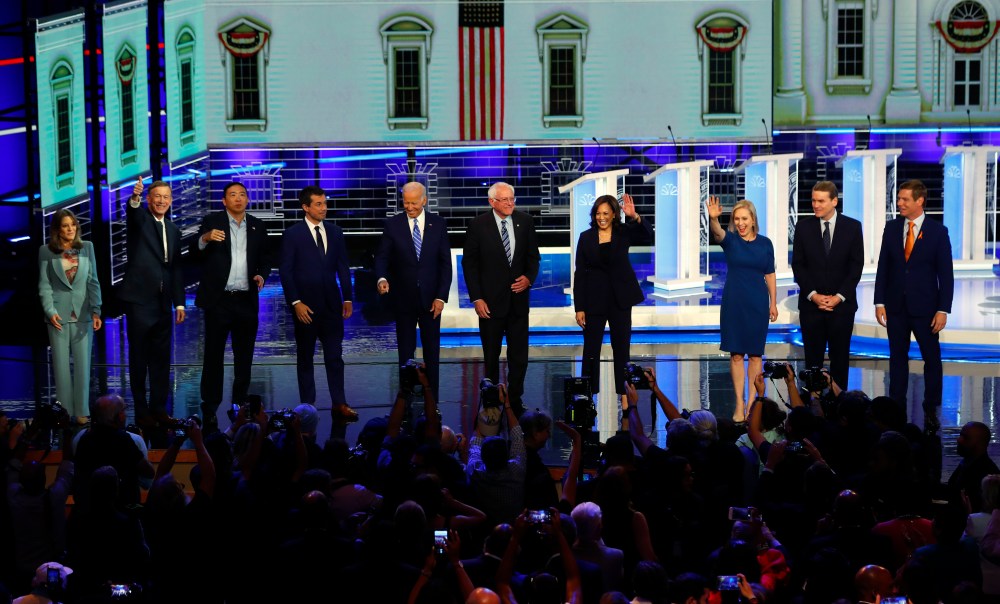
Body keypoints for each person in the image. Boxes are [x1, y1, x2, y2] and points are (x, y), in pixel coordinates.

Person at [874, 179, 954, 431]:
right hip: (896, 306)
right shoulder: (891, 228)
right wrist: (879, 301)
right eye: (899, 199)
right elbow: (883, 267)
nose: (899, 203)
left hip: (926, 310)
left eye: (904, 199)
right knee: (897, 359)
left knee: (932, 359)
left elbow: (946, 274)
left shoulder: (938, 232)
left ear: (920, 201)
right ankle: (896, 410)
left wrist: (943, 309)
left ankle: (931, 409)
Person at [193, 181, 273, 429]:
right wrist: (205, 238)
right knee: (213, 356)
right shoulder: (212, 222)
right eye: (232, 195)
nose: (238, 198)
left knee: (244, 357)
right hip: (219, 301)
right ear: (224, 201)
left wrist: (262, 275)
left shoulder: (258, 226)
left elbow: (265, 259)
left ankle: (240, 405)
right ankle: (210, 406)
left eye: (242, 195)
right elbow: (194, 253)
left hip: (246, 301)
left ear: (247, 200)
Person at [279, 185, 358, 424]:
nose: (324, 208)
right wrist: (296, 302)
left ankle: (339, 403)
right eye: (319, 204)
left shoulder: (335, 232)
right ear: (306, 207)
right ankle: (307, 408)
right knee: (305, 358)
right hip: (305, 308)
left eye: (325, 203)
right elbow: (286, 271)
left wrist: (347, 297)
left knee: (335, 357)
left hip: (332, 306)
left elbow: (343, 266)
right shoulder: (292, 234)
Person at [462, 182, 540, 415]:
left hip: (518, 301)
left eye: (512, 199)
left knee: (519, 357)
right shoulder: (478, 225)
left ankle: (514, 400)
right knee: (492, 356)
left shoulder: (525, 222)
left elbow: (533, 258)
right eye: (504, 199)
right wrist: (477, 298)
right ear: (492, 202)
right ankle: (492, 399)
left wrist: (528, 278)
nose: (510, 203)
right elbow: (470, 265)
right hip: (490, 304)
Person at [374, 181, 452, 400]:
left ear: (424, 201)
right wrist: (381, 278)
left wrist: (441, 297)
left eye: (413, 203)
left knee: (431, 352)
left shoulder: (438, 224)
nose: (409, 207)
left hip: (431, 300)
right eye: (405, 202)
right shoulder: (392, 224)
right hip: (403, 299)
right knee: (405, 352)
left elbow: (445, 264)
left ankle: (432, 396)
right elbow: (382, 257)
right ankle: (406, 396)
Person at [120, 178, 185, 429]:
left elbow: (176, 269)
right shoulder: (142, 221)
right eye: (157, 196)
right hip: (139, 301)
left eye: (166, 197)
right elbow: (133, 213)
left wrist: (179, 303)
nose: (161, 201)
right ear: (149, 199)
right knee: (139, 358)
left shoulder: (174, 229)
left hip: (163, 304)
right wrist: (134, 198)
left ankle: (159, 409)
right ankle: (141, 410)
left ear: (170, 201)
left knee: (161, 359)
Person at [573, 193, 652, 399]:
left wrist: (635, 216)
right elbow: (579, 273)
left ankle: (625, 396)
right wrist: (579, 307)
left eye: (606, 213)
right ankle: (587, 396)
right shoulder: (585, 237)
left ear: (614, 214)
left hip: (621, 299)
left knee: (622, 350)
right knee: (590, 351)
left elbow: (647, 234)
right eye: (598, 213)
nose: (602, 217)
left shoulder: (624, 232)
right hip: (593, 301)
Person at [707, 196, 777, 421]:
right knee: (736, 354)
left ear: (753, 219)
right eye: (736, 219)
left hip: (757, 302)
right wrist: (713, 219)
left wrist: (773, 302)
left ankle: (752, 404)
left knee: (755, 356)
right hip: (734, 302)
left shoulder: (765, 243)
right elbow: (717, 233)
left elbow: (770, 274)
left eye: (744, 218)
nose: (740, 223)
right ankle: (739, 402)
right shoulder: (731, 241)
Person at [791, 181, 864, 390]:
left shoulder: (852, 227)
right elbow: (798, 265)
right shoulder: (803, 227)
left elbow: (855, 267)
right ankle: (814, 407)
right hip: (811, 308)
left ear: (834, 201)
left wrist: (838, 296)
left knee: (840, 360)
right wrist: (813, 295)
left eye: (821, 201)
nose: (815, 205)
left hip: (841, 308)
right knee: (812, 362)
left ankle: (840, 408)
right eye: (813, 200)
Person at [37, 209, 102, 420]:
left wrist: (96, 310)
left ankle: (82, 412)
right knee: (61, 368)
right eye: (65, 226)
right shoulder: (46, 251)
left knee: (83, 367)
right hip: (57, 316)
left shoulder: (87, 248)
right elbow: (44, 286)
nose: (70, 229)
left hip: (83, 314)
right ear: (57, 229)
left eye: (73, 225)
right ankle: (64, 413)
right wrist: (50, 311)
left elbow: (93, 281)